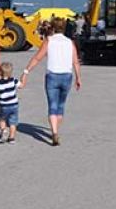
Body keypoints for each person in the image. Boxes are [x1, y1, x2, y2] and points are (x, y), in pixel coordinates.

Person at [20, 16, 82, 146]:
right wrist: (78, 78)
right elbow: (75, 61)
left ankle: (54, 132)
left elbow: (37, 58)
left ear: (52, 27)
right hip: (67, 75)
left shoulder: (49, 40)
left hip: (52, 75)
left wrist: (26, 71)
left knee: (52, 105)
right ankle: (56, 130)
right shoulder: (70, 42)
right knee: (61, 105)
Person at [0, 62, 20, 144]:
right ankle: (12, 137)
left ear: (0, 72)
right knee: (13, 122)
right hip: (14, 105)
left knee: (2, 119)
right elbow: (21, 85)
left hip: (4, 105)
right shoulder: (13, 80)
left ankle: (3, 130)